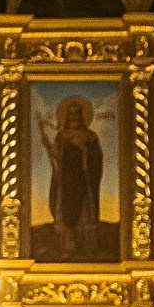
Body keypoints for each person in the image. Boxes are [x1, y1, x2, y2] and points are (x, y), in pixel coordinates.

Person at [39, 96, 104, 256]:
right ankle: (68, 247)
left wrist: (84, 150)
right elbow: (57, 156)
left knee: (85, 213)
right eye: (71, 114)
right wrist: (47, 143)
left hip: (84, 180)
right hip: (66, 182)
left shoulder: (90, 136)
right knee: (66, 212)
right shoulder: (61, 136)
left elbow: (97, 158)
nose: (74, 118)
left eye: (77, 114)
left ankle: (88, 248)